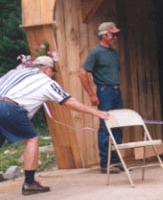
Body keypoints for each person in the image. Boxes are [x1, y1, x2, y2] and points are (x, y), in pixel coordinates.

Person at [0, 56, 109, 195]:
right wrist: (94, 112)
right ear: (46, 69)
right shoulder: (46, 81)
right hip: (10, 108)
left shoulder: (14, 73)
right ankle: (29, 183)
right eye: (53, 71)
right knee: (32, 139)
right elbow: (68, 102)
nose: (53, 75)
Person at [79, 22, 123, 174]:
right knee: (105, 127)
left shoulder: (114, 53)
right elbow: (82, 73)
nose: (115, 37)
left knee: (118, 125)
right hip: (104, 92)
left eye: (115, 34)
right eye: (113, 35)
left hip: (116, 91)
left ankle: (116, 161)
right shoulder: (95, 53)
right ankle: (105, 163)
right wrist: (92, 94)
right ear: (104, 35)